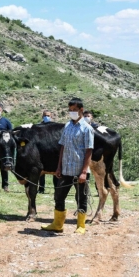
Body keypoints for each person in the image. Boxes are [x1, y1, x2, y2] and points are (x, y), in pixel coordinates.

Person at [42, 98, 94, 234]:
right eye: (70, 110)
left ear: (81, 110)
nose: (72, 113)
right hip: (66, 169)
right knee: (59, 196)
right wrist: (58, 167)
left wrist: (83, 172)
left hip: (80, 170)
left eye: (75, 110)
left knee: (81, 198)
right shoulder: (67, 126)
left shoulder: (87, 128)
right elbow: (62, 147)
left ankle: (81, 225)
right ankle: (58, 224)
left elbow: (89, 150)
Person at [38, 110, 53, 194]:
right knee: (41, 171)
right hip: (41, 150)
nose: (46, 117)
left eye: (48, 115)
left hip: (52, 150)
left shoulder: (54, 126)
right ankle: (41, 189)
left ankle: (57, 189)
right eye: (45, 115)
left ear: (51, 116)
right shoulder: (39, 126)